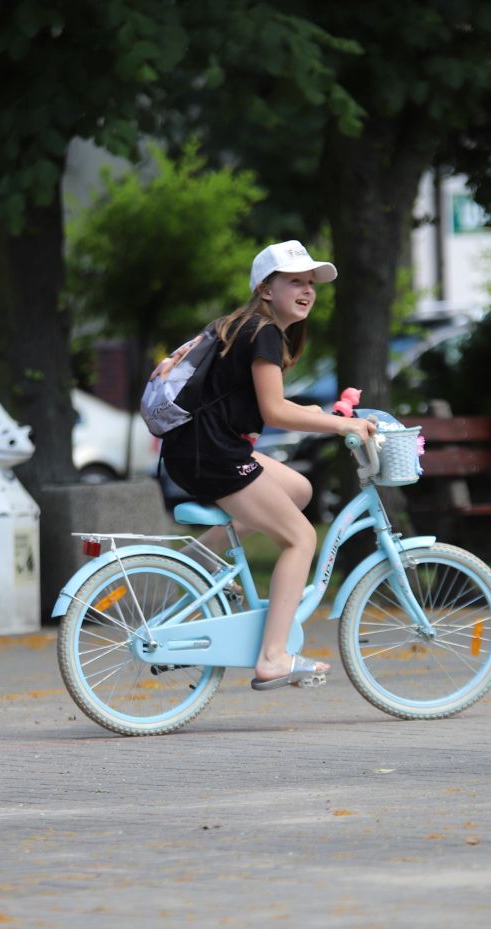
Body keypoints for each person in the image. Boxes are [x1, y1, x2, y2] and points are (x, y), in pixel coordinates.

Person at [160, 240, 376, 689]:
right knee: (300, 538)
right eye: (295, 281)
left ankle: (196, 561)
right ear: (265, 288)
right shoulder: (264, 333)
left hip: (198, 447)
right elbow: (274, 412)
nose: (307, 290)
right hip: (212, 453)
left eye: (311, 283)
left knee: (298, 491)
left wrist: (315, 414)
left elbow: (257, 399)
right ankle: (274, 657)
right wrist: (341, 428)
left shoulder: (238, 325)